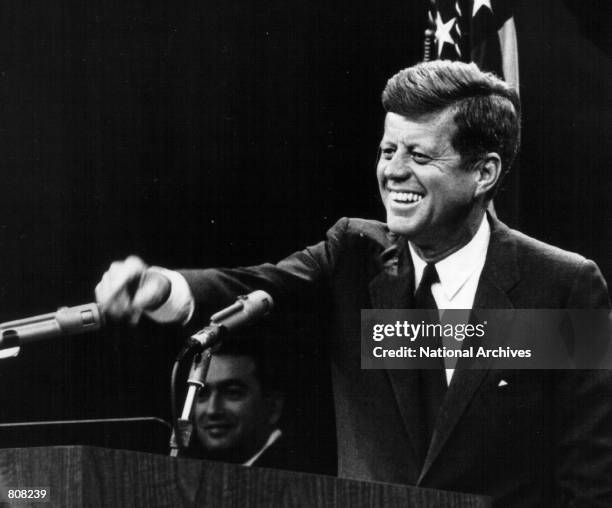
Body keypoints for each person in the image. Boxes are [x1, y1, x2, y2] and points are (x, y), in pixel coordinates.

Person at [95, 61, 612, 507]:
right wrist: (164, 289)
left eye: (420, 156)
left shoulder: (563, 285)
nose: (394, 172)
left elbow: (590, 476)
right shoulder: (352, 256)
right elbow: (255, 284)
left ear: (484, 173)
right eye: (389, 151)